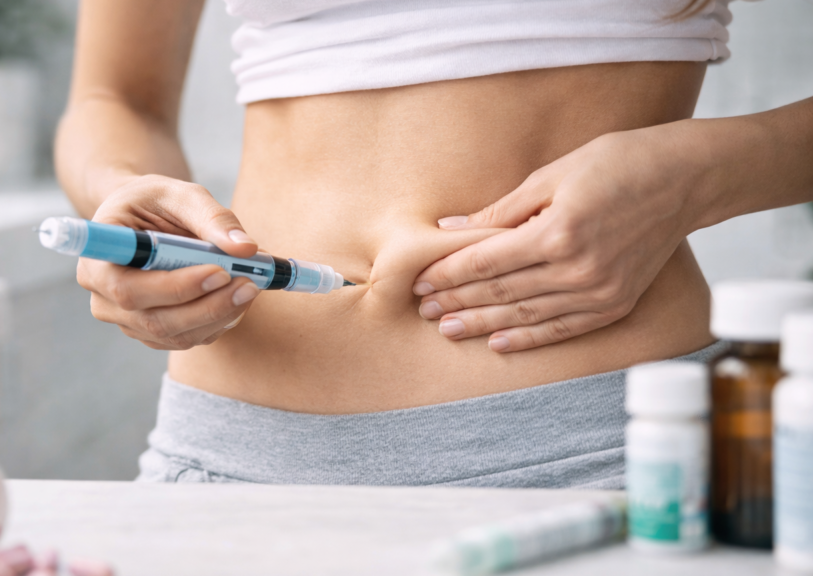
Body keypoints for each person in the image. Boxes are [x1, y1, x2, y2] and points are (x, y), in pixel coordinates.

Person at [56, 0, 813, 487]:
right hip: (229, 452)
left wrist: (703, 175)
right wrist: (122, 194)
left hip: (598, 452)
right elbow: (112, 98)